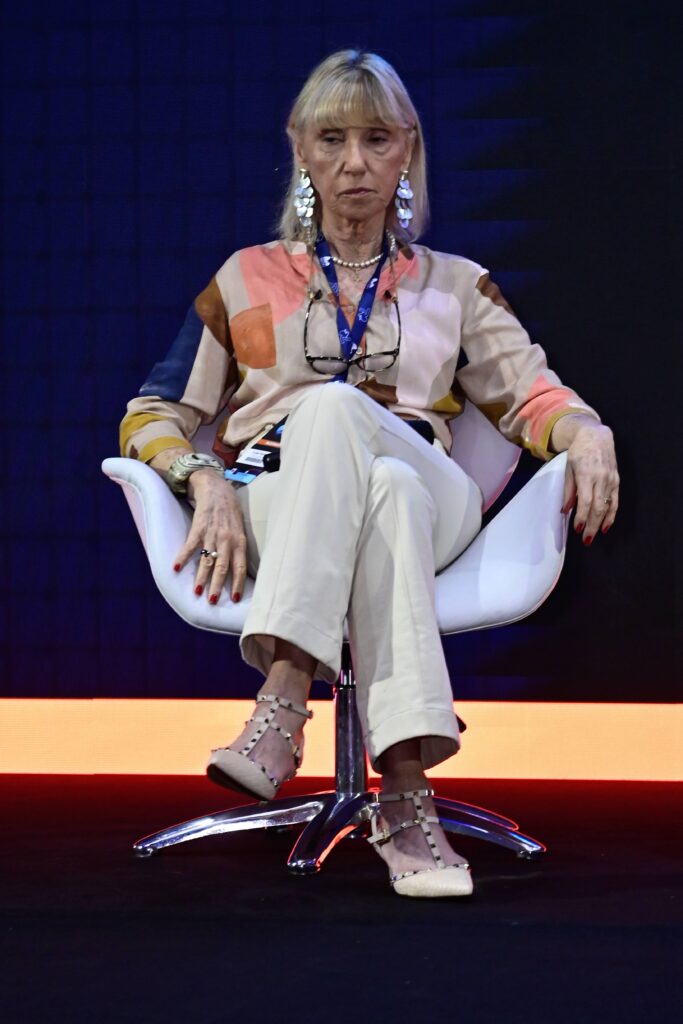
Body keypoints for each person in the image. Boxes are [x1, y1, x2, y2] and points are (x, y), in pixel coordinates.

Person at [119, 50, 619, 898]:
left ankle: (284, 688)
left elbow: (533, 395)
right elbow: (152, 412)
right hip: (282, 507)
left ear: (406, 150)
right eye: (332, 140)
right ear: (301, 150)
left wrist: (587, 430)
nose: (354, 162)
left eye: (376, 140)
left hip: (438, 504)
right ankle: (406, 795)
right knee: (377, 483)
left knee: (338, 413)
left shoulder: (455, 287)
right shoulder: (246, 279)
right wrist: (201, 478)